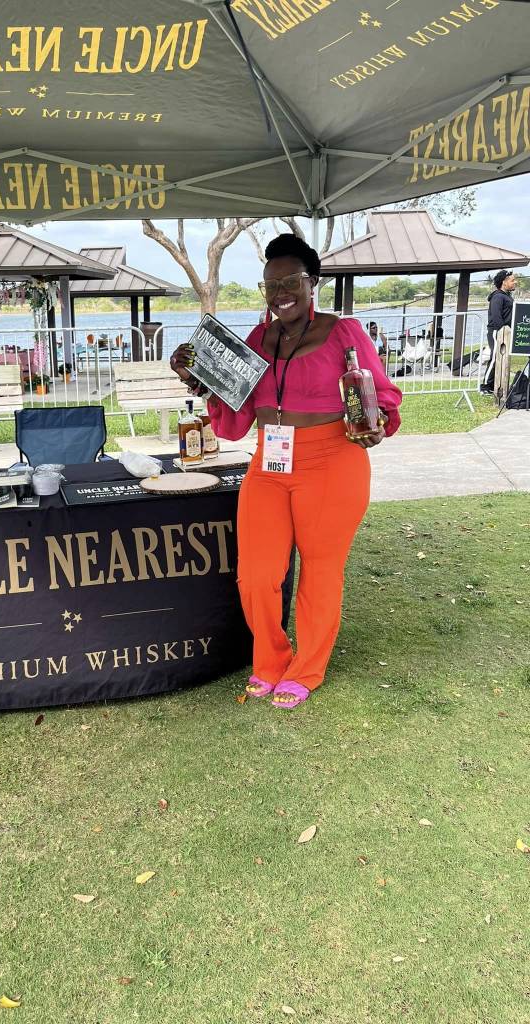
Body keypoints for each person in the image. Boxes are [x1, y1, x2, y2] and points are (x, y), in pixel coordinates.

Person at [169, 234, 403, 709]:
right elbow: (235, 423)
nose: (280, 293)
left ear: (311, 282)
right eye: (271, 285)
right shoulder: (257, 340)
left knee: (320, 572)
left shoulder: (344, 332)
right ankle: (271, 659)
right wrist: (200, 380)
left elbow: (381, 395)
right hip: (269, 463)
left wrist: (378, 421)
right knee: (256, 575)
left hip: (332, 461)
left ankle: (307, 668)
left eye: (290, 281)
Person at [482, 269, 516, 394]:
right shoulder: (497, 297)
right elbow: (496, 316)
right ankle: (485, 386)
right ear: (504, 282)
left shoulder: (507, 296)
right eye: (512, 280)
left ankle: (495, 385)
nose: (515, 282)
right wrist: (502, 330)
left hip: (506, 332)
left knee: (501, 358)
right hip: (497, 331)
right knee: (495, 357)